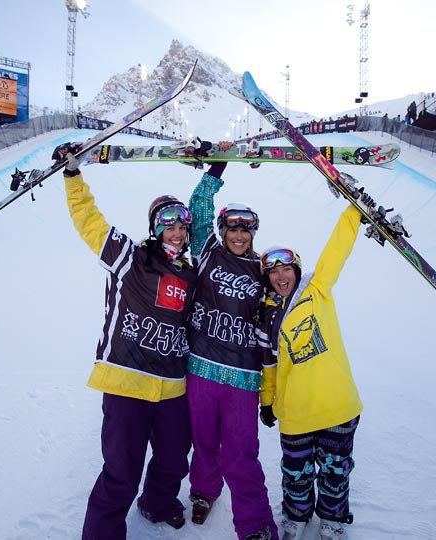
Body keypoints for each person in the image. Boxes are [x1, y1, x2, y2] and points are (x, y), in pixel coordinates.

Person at [63, 151, 198, 540]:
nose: (175, 231)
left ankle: (156, 503)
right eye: (167, 224)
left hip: (172, 385)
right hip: (126, 381)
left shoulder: (191, 274)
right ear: (156, 228)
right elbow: (90, 223)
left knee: (174, 461)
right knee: (122, 471)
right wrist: (73, 178)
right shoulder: (130, 258)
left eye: (181, 225)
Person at [257, 193, 367, 540]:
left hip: (336, 406)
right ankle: (296, 515)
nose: (280, 276)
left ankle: (333, 520)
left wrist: (355, 212)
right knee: (296, 472)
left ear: (297, 270)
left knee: (335, 472)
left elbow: (337, 249)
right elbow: (269, 366)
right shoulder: (266, 316)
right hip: (296, 413)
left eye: (286, 268)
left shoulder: (317, 290)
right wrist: (267, 401)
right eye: (273, 272)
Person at [184, 143, 278, 540]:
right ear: (223, 231)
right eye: (233, 228)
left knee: (242, 455)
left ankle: (255, 527)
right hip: (201, 367)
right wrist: (218, 166)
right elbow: (198, 204)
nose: (238, 235)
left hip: (243, 377)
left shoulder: (263, 269)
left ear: (253, 233)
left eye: (245, 229)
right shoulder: (207, 252)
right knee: (203, 442)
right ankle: (204, 492)